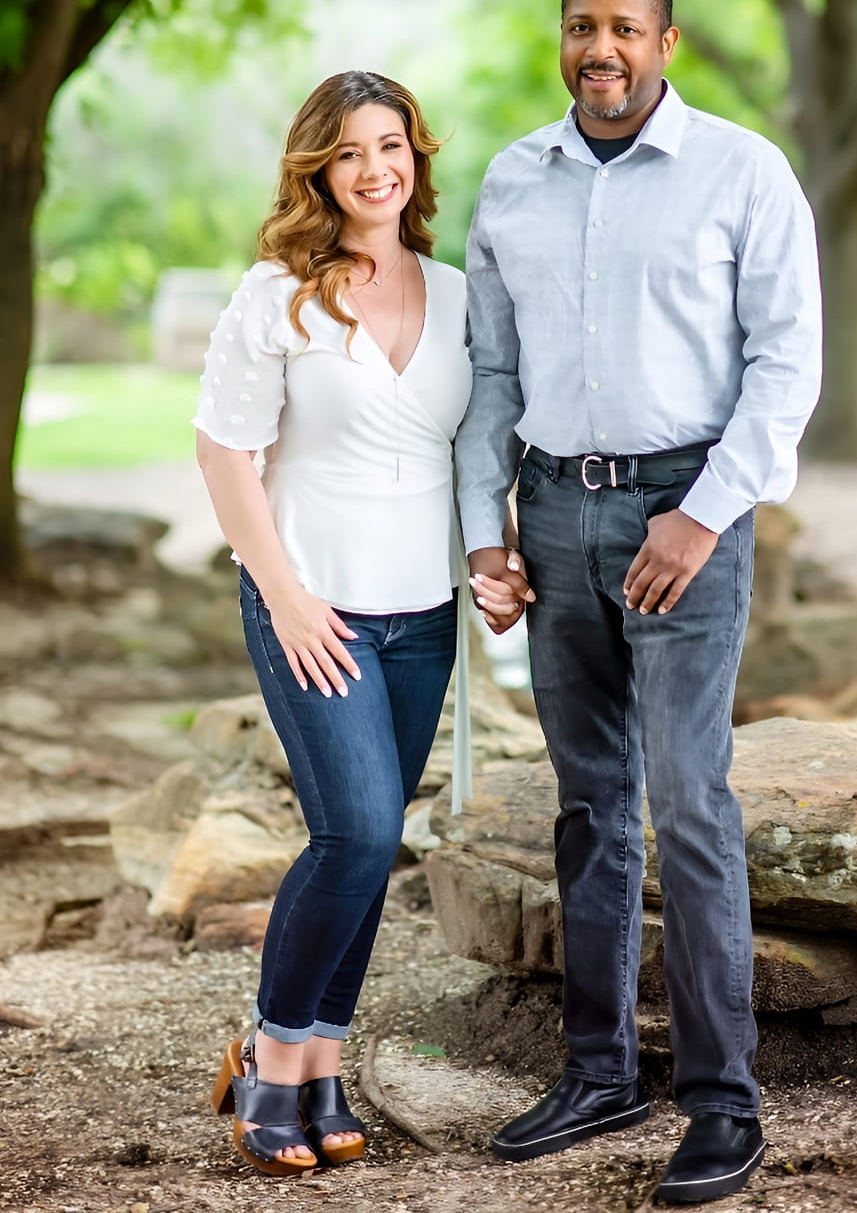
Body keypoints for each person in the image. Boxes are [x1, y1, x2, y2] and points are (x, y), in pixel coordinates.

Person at [455, 0, 822, 1204]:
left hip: (687, 517)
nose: (597, 47)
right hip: (553, 512)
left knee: (691, 803)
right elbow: (491, 380)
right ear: (561, 43)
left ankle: (724, 1101)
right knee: (587, 801)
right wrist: (485, 532)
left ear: (667, 44)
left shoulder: (742, 172)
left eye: (622, 28)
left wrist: (703, 515)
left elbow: (785, 363)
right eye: (579, 27)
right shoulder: (513, 179)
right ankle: (598, 1069)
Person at [195, 70, 521, 1177]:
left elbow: (475, 450)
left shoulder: (459, 294)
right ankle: (269, 1058)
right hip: (312, 608)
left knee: (371, 851)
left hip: (421, 618)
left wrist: (495, 558)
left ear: (416, 158)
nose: (375, 167)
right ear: (317, 171)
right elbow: (224, 455)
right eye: (349, 152)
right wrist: (284, 594)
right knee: (358, 833)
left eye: (393, 145)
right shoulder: (274, 293)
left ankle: (319, 1068)